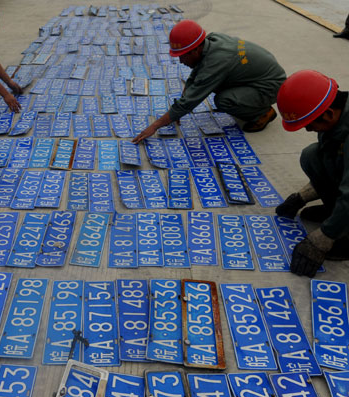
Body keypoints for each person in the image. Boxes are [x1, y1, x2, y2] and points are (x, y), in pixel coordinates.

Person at [132, 20, 286, 144]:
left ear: (196, 50)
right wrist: (181, 102)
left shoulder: (216, 62)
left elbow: (190, 101)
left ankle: (263, 113)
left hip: (270, 86)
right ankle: (250, 101)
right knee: (216, 85)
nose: (180, 60)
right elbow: (196, 74)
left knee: (224, 100)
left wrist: (154, 126)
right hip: (256, 77)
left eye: (183, 55)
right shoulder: (210, 41)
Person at [275, 70, 349, 277]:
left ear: (328, 114)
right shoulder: (338, 116)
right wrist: (302, 196)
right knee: (311, 155)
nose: (308, 130)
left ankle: (343, 234)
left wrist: (322, 239)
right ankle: (336, 213)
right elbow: (332, 160)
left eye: (309, 124)